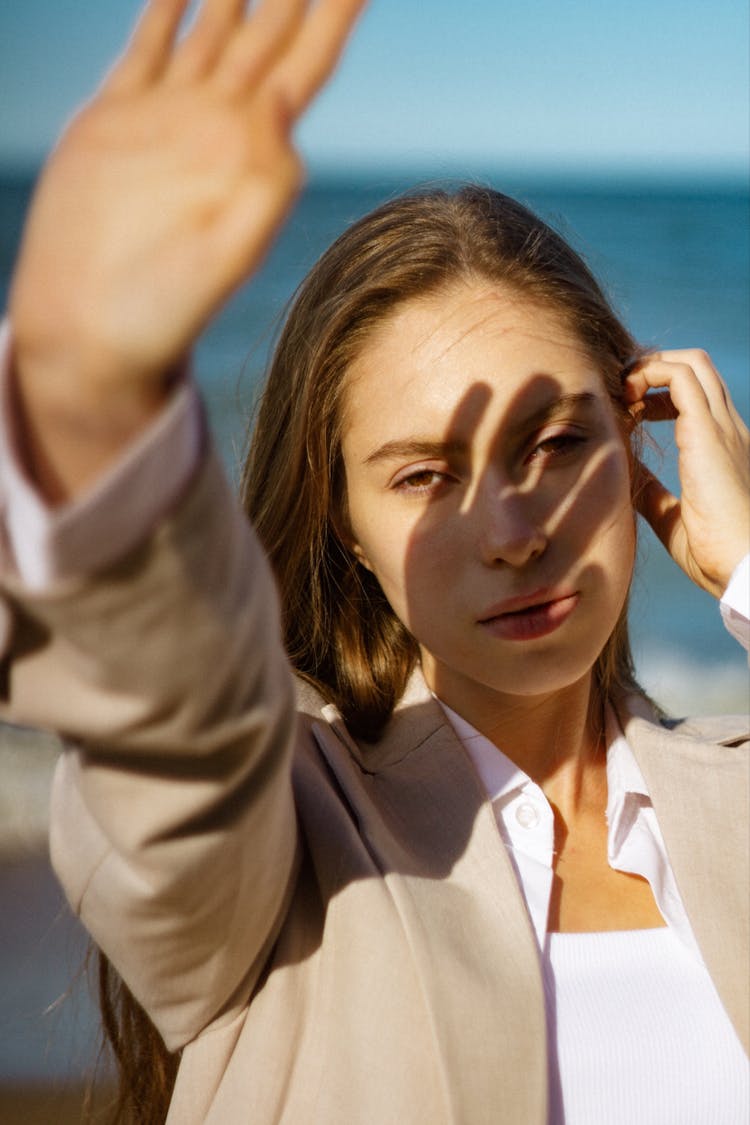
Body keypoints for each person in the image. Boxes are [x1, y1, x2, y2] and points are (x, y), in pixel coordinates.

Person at [1, 1, 748, 1122]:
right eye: (423, 476)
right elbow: (165, 714)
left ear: (635, 432)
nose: (512, 530)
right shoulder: (287, 834)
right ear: (346, 524)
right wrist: (90, 394)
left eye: (557, 442)